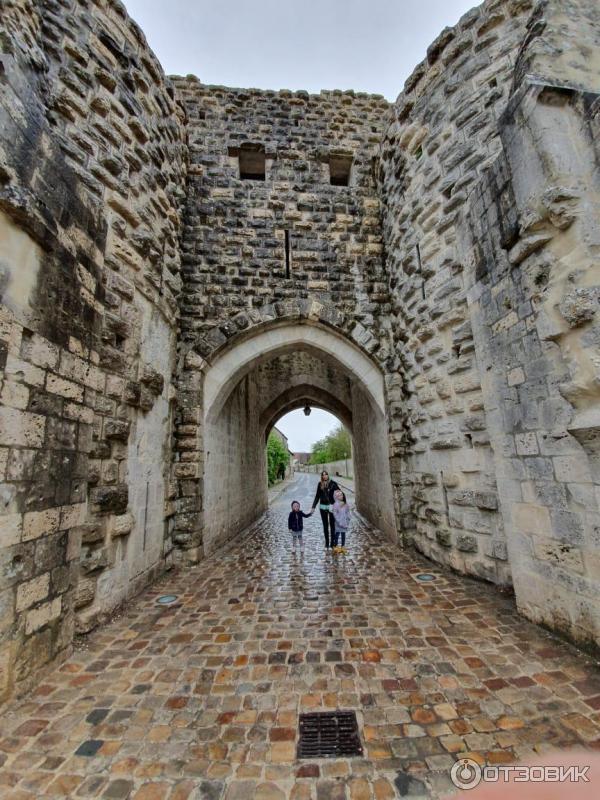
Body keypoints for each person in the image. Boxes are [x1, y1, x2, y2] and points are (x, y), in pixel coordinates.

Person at [311, 470, 340, 549]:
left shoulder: (333, 483)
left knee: (332, 525)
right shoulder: (320, 484)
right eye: (323, 475)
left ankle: (332, 543)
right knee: (325, 525)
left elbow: (339, 493)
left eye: (326, 474)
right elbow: (317, 496)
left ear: (328, 475)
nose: (324, 476)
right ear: (321, 476)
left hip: (331, 507)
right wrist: (313, 507)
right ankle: (327, 542)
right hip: (323, 507)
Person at [331, 489, 351, 553]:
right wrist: (338, 520)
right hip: (338, 523)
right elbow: (335, 513)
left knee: (343, 534)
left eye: (341, 495)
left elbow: (347, 511)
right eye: (339, 496)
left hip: (344, 522)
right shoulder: (335, 505)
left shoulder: (345, 504)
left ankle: (343, 546)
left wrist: (348, 518)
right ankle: (335, 546)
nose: (341, 496)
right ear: (336, 497)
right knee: (337, 534)